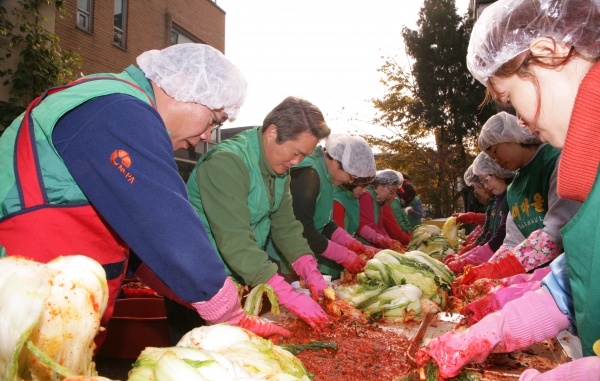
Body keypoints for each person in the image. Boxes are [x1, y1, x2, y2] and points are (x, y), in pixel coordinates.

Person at [0, 43, 289, 343]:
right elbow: (165, 220)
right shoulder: (119, 109)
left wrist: (185, 291)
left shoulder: (112, 103)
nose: (206, 136)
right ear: (188, 87)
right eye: (214, 121)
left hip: (54, 312)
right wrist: (228, 312)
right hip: (22, 309)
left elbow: (135, 232)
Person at [417, 0, 600, 381]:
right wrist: (491, 331)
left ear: (547, 52)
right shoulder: (585, 164)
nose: (524, 122)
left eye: (509, 98)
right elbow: (572, 284)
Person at [186, 97, 331, 332]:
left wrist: (308, 268)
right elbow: (235, 242)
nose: (297, 162)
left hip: (240, 277)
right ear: (272, 132)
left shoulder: (279, 169)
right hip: (199, 284)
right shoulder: (227, 163)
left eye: (304, 156)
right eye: (296, 152)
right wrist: (287, 295)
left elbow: (285, 225)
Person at [455, 112, 580, 288]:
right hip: (537, 279)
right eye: (491, 158)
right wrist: (489, 270)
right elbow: (512, 240)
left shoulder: (556, 159)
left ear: (511, 136)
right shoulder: (513, 188)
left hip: (571, 278)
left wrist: (501, 269)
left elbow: (556, 233)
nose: (496, 161)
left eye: (496, 152)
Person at [271, 134, 377, 280]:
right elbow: (303, 229)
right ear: (336, 163)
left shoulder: (326, 176)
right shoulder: (310, 174)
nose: (351, 182)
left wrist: (349, 242)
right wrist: (342, 255)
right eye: (351, 176)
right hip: (281, 257)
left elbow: (324, 221)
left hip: (299, 255)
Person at [446, 152, 514, 272]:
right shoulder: (498, 200)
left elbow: (499, 236)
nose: (486, 187)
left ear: (499, 170)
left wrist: (465, 259)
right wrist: (465, 256)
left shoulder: (510, 197)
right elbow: (489, 233)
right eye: (483, 182)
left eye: (486, 180)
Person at [358, 170, 407, 251]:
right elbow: (370, 225)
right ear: (380, 184)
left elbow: (380, 227)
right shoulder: (367, 195)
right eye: (390, 191)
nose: (390, 195)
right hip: (363, 245)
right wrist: (385, 241)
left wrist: (389, 240)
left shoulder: (379, 201)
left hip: (372, 244)